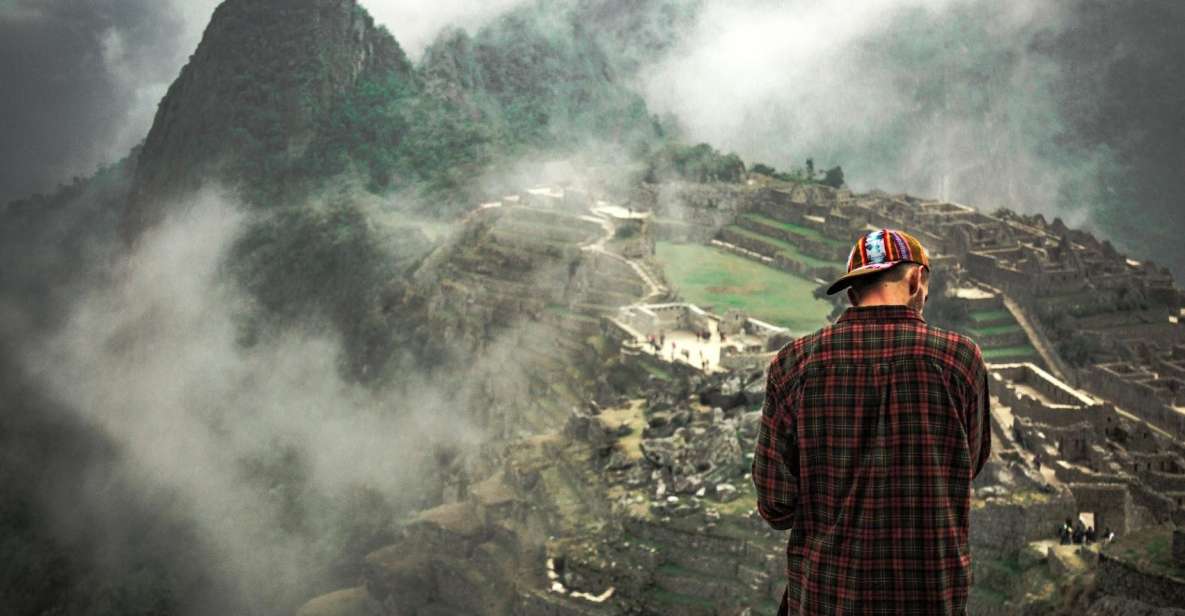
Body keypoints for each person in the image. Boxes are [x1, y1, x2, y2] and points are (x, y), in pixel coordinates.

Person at [752, 229, 991, 615]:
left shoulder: (793, 365)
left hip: (826, 597)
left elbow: (776, 503)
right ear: (916, 281)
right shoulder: (960, 361)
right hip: (929, 597)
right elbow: (970, 463)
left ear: (851, 292)